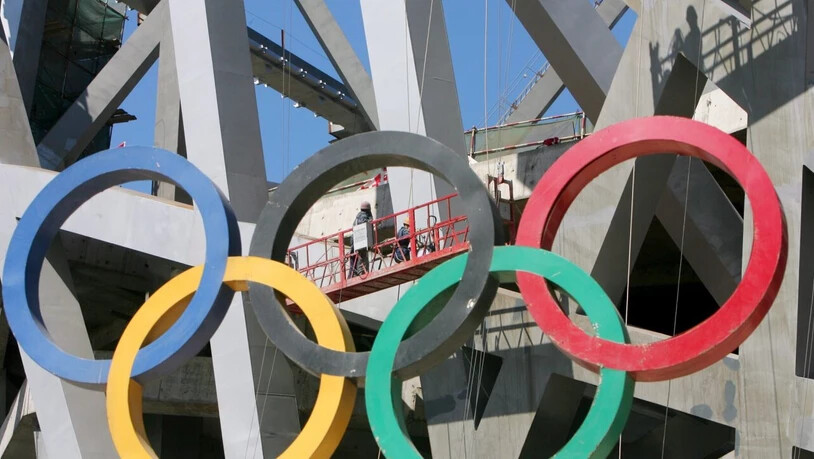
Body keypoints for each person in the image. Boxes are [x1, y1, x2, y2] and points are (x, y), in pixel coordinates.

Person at [350, 202, 373, 277]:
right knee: (362, 257)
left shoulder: (358, 217)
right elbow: (364, 224)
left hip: (355, 240)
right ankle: (361, 273)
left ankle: (354, 273)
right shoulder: (364, 216)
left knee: (355, 258)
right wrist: (370, 222)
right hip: (360, 240)